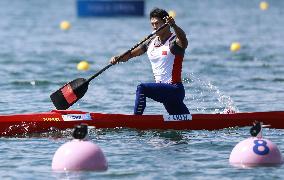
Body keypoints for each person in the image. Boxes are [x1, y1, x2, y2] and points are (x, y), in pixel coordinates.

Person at [110, 8, 190, 115]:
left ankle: (136, 121)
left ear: (166, 24)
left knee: (142, 88)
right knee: (185, 122)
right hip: (163, 92)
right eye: (152, 24)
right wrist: (118, 58)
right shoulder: (150, 42)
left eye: (157, 23)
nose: (154, 27)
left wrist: (174, 26)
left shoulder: (174, 42)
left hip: (174, 90)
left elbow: (184, 40)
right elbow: (130, 55)